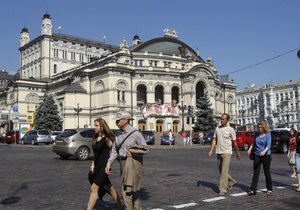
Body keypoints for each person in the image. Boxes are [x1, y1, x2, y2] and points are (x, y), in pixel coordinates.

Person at [105, 111, 149, 210]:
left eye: (118, 120)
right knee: (131, 191)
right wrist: (109, 164)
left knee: (128, 191)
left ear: (125, 120)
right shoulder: (118, 134)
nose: (116, 123)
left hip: (133, 164)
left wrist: (134, 153)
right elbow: (114, 150)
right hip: (122, 163)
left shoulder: (135, 133)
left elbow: (145, 148)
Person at [87, 117, 123, 210]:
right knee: (109, 188)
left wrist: (120, 163)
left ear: (102, 127)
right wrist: (93, 164)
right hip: (97, 167)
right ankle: (121, 207)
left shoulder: (108, 139)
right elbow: (95, 154)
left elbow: (115, 152)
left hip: (104, 167)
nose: (94, 127)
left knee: (94, 188)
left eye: (96, 125)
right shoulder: (95, 138)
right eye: (94, 125)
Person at [208, 113, 241, 196]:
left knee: (224, 172)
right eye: (221, 119)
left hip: (227, 152)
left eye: (223, 119)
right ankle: (231, 181)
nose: (221, 120)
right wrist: (211, 150)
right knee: (221, 170)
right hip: (218, 151)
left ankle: (223, 189)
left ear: (227, 120)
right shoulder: (217, 128)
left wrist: (238, 153)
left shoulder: (231, 130)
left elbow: (234, 142)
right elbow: (214, 139)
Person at [247, 121, 273, 196]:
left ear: (264, 128)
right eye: (259, 128)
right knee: (256, 172)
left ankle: (269, 189)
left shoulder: (268, 135)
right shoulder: (256, 134)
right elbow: (253, 143)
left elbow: (268, 145)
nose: (260, 129)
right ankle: (253, 189)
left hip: (266, 155)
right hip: (257, 154)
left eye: (261, 128)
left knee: (266, 172)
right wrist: (249, 149)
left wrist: (264, 151)